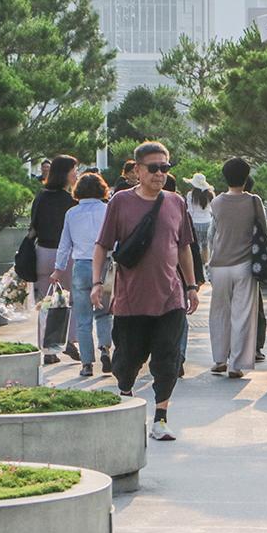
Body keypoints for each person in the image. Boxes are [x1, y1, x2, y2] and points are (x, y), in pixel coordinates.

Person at [91, 141, 200, 442]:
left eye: (165, 168)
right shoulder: (120, 202)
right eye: (153, 168)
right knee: (126, 361)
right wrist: (97, 283)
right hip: (130, 300)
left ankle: (161, 419)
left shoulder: (176, 203)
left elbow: (183, 247)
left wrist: (191, 286)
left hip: (170, 297)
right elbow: (101, 245)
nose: (160, 174)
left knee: (168, 359)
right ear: (137, 170)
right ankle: (125, 399)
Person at [207, 158, 267, 379]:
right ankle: (236, 365)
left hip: (219, 264)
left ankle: (219, 360)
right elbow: (263, 230)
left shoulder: (216, 202)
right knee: (242, 314)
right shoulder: (254, 201)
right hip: (245, 264)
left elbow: (212, 234)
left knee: (219, 312)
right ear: (246, 177)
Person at [51, 173, 112, 377]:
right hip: (104, 264)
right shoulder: (108, 210)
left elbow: (64, 245)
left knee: (83, 318)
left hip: (81, 266)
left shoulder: (71, 213)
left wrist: (58, 269)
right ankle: (105, 349)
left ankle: (87, 364)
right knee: (104, 313)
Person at [29, 155, 79, 364]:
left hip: (42, 253)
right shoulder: (70, 202)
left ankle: (49, 350)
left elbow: (33, 227)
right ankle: (67, 338)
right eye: (74, 170)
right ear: (65, 173)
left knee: (46, 301)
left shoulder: (41, 196)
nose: (76, 174)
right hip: (65, 256)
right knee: (71, 299)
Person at [164, 173, 205, 378]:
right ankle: (177, 356)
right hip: (178, 273)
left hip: (171, 273)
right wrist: (196, 279)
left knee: (174, 316)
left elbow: (188, 247)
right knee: (178, 317)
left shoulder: (178, 208)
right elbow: (193, 248)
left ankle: (172, 357)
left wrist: (193, 282)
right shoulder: (181, 209)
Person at [245, 174, 266, 362]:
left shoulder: (220, 201)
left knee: (234, 308)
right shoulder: (254, 201)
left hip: (228, 263)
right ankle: (257, 347)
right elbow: (264, 231)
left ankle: (233, 348)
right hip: (254, 261)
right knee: (256, 305)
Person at [184, 173, 215, 262]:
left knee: (196, 246)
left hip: (195, 222)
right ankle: (206, 262)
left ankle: (197, 265)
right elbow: (212, 210)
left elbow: (190, 211)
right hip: (208, 222)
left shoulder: (191, 194)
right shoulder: (210, 194)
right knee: (206, 245)